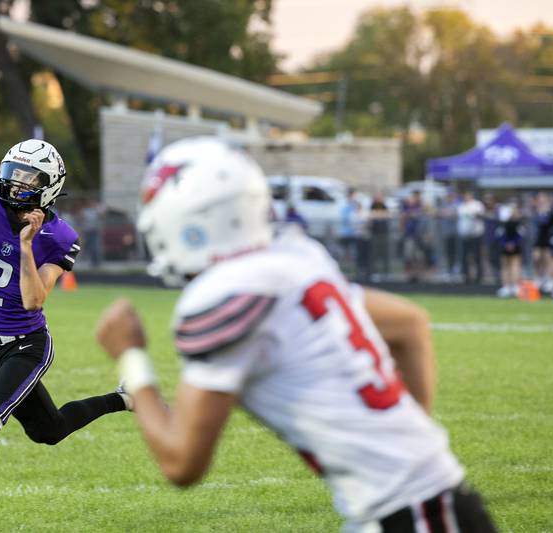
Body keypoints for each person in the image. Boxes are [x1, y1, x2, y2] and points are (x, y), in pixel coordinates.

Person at [95, 137, 497, 533]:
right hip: (419, 504)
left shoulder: (224, 296)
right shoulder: (296, 255)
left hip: (419, 515)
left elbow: (181, 463)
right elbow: (409, 323)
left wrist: (131, 356)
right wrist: (405, 442)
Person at [0, 139, 130, 533]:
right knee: (50, 430)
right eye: (13, 173)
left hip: (27, 345)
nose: (15, 183)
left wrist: (26, 245)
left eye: (26, 177)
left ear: (47, 186)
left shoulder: (60, 236)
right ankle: (123, 399)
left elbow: (33, 301)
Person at [495, 203, 525, 298]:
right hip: (511, 246)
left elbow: (499, 234)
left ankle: (512, 286)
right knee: (510, 266)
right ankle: (509, 286)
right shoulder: (516, 223)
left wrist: (508, 244)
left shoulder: (509, 224)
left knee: (511, 266)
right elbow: (521, 235)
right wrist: (511, 244)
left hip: (509, 246)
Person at [456, 191, 485, 284]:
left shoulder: (477, 205)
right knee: (465, 257)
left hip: (475, 234)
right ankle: (466, 276)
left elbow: (481, 215)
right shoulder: (461, 206)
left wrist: (476, 215)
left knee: (477, 256)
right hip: (464, 235)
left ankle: (479, 277)